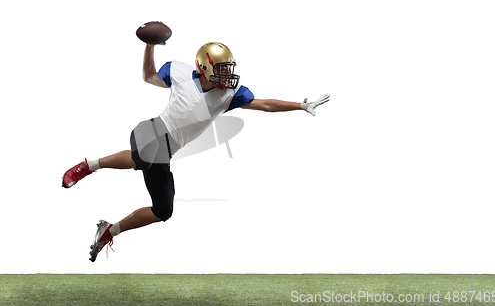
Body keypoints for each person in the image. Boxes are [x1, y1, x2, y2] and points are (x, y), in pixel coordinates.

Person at [62, 41, 330, 262]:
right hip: (153, 130)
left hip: (166, 150)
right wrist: (150, 45)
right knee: (142, 157)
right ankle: (88, 165)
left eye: (228, 69)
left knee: (163, 210)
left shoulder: (228, 95)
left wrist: (299, 105)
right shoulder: (179, 73)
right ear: (204, 67)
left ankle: (110, 230)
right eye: (221, 69)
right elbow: (148, 76)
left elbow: (265, 105)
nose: (227, 75)